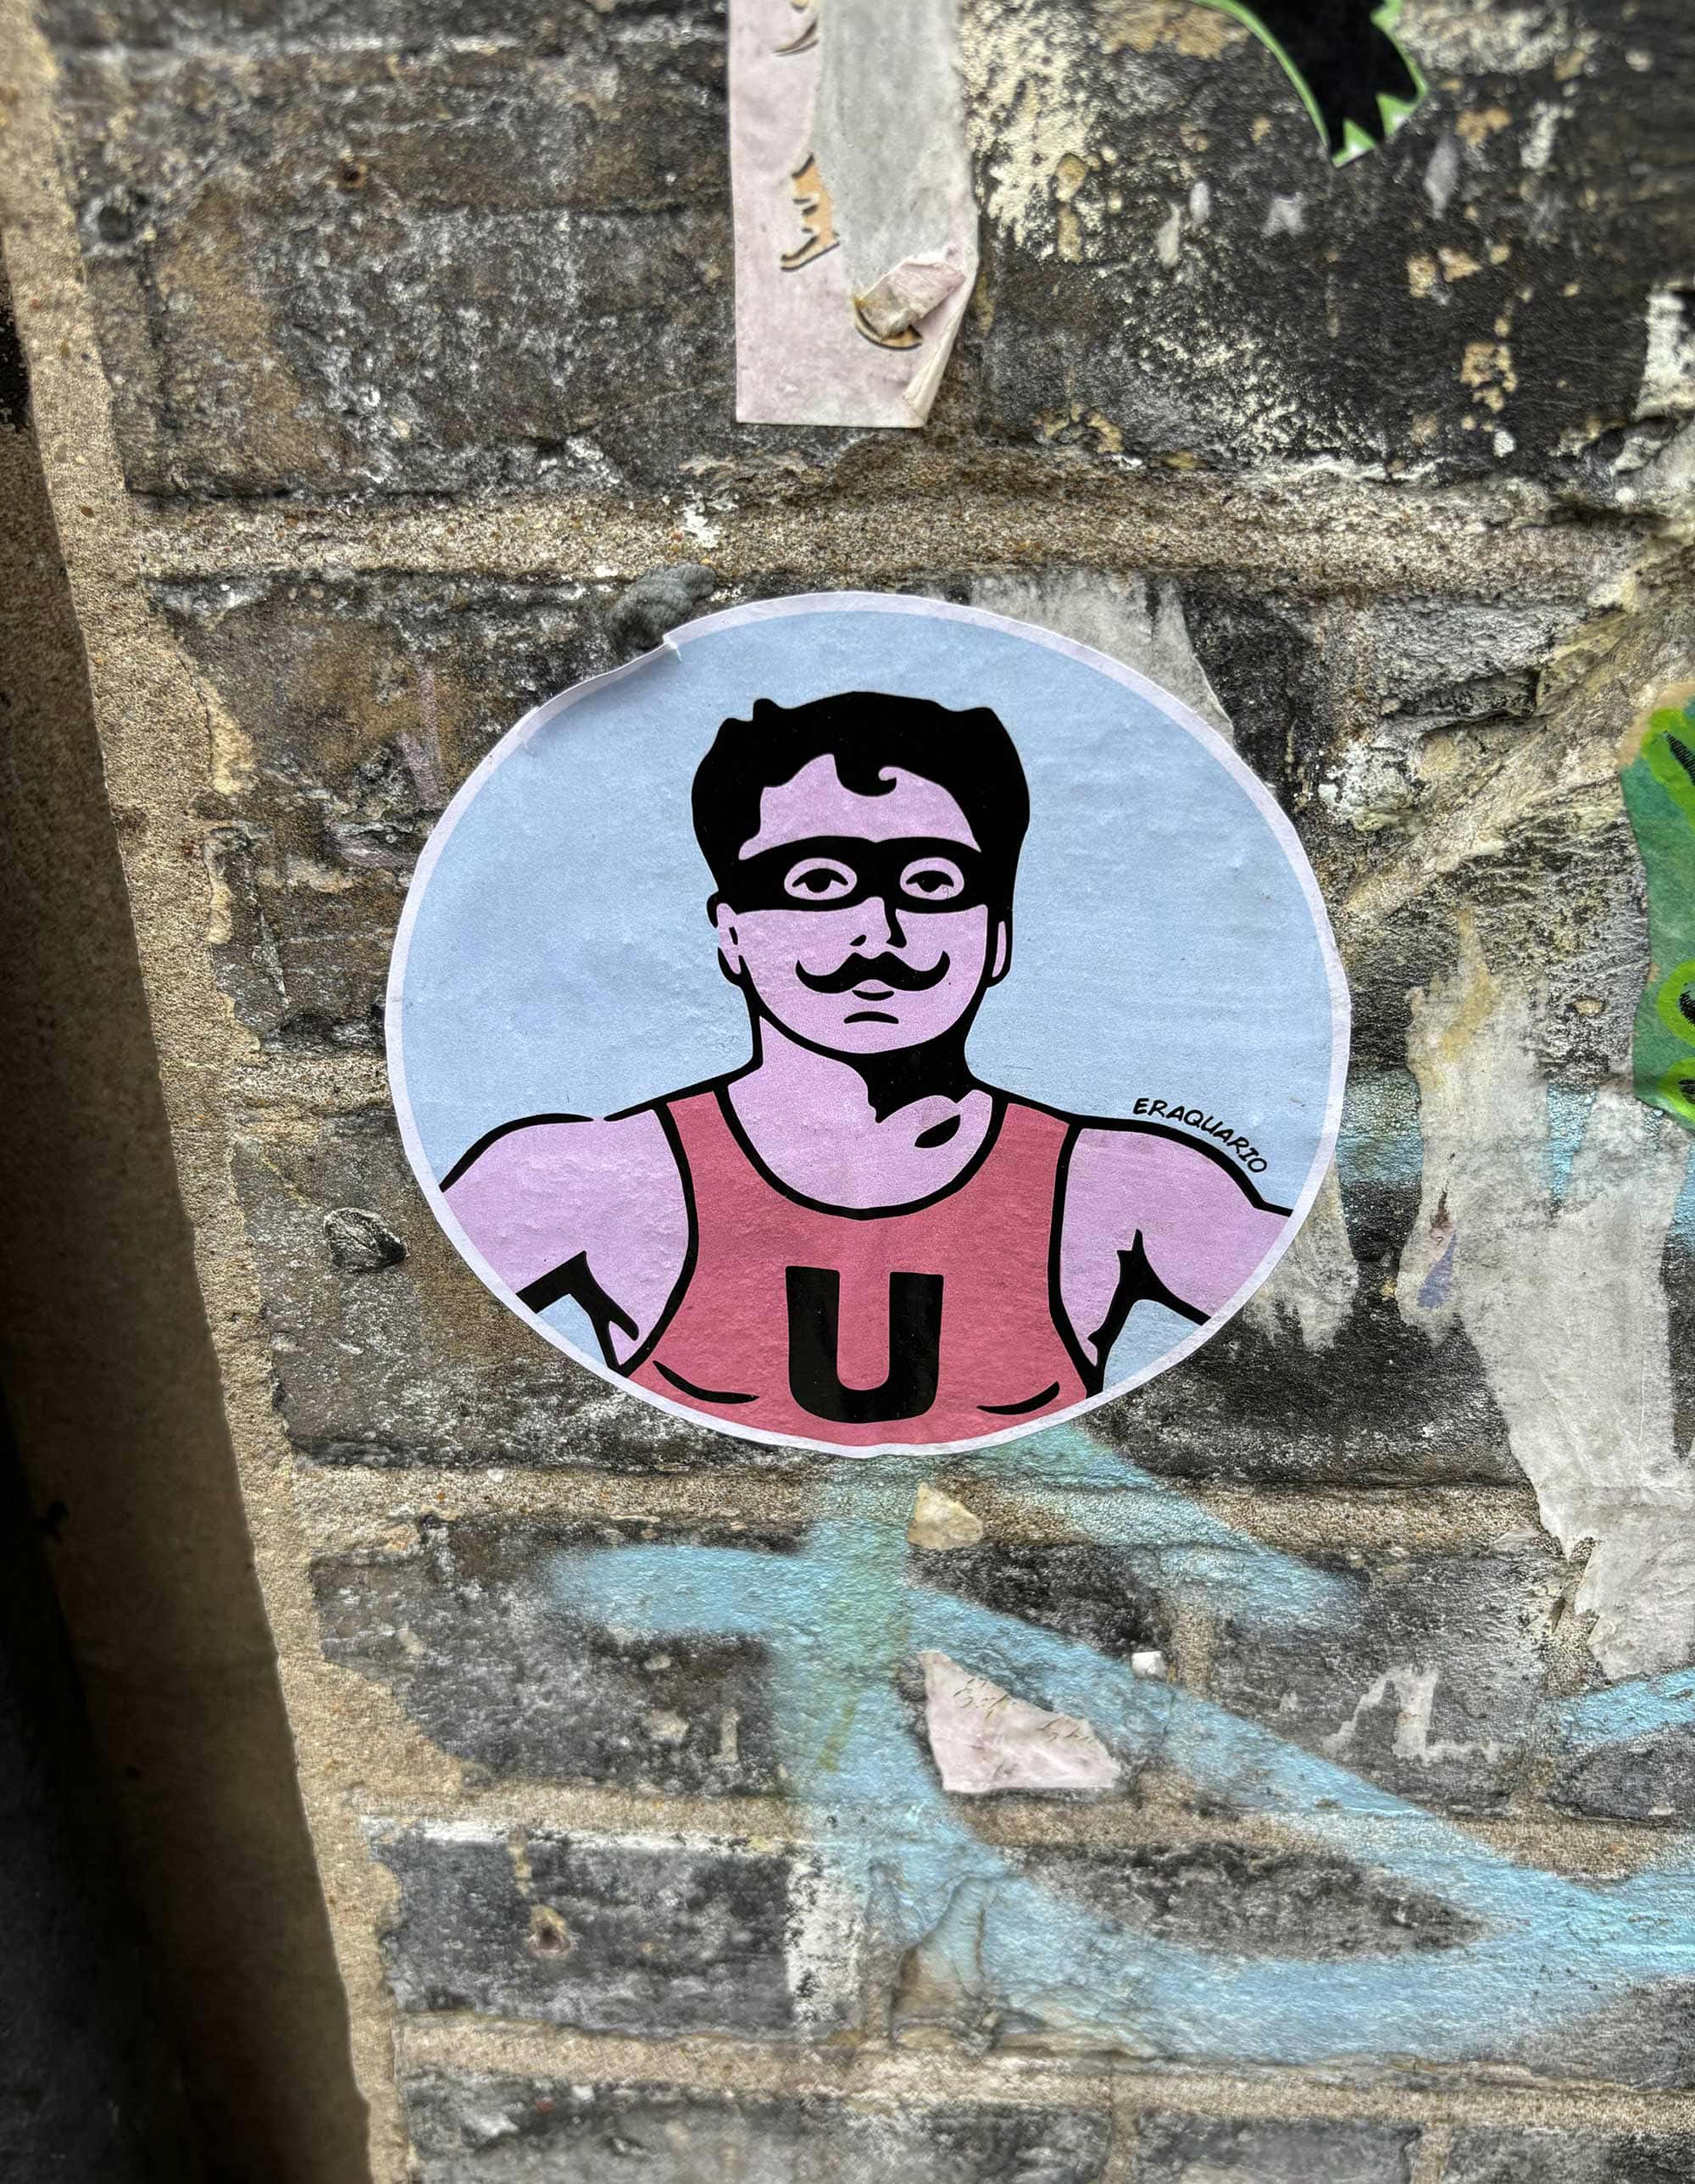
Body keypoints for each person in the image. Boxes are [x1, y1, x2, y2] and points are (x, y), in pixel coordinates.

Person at [442, 692, 1289, 1445]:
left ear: (995, 934)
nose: (877, 933)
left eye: (930, 882)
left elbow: (1335, 1341)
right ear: (731, 933)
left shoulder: (1124, 1188)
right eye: (817, 881)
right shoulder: (588, 1176)